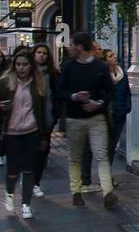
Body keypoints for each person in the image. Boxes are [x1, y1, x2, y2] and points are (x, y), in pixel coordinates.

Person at [55, 31, 116, 209]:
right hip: (75, 118)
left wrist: (99, 103)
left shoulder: (100, 67)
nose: (69, 47)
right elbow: (60, 92)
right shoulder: (68, 67)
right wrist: (74, 96)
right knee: (75, 156)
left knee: (101, 154)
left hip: (96, 117)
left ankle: (107, 192)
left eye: (72, 44)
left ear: (80, 47)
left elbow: (109, 91)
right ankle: (76, 191)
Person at [0, 48, 49, 219]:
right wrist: (0, 106)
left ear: (31, 66)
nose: (21, 68)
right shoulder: (6, 81)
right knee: (13, 168)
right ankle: (9, 193)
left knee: (29, 169)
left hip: (31, 131)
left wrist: (44, 135)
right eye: (18, 65)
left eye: (25, 65)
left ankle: (26, 204)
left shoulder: (38, 83)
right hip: (11, 132)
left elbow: (41, 111)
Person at [81, 49, 130, 191]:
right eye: (111, 56)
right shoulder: (102, 75)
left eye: (114, 55)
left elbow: (127, 92)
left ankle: (107, 176)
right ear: (105, 60)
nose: (115, 58)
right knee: (103, 148)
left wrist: (127, 107)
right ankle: (101, 178)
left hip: (120, 114)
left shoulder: (122, 74)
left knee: (111, 147)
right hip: (105, 115)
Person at [31, 43, 60, 198]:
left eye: (44, 53)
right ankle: (29, 178)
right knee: (29, 152)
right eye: (38, 52)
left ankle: (36, 182)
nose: (41, 55)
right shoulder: (27, 73)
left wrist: (55, 116)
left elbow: (56, 97)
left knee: (42, 151)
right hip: (28, 120)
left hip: (46, 120)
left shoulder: (53, 75)